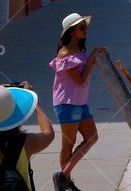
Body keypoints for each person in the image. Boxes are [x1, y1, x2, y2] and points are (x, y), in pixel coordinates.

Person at [50, 13, 104, 191]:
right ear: (71, 32)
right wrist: (93, 56)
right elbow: (80, 80)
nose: (84, 30)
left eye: (84, 26)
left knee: (92, 137)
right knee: (68, 143)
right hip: (67, 103)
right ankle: (66, 180)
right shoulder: (64, 53)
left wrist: (92, 58)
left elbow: (85, 72)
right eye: (81, 27)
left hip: (80, 102)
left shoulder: (79, 52)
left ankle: (63, 176)